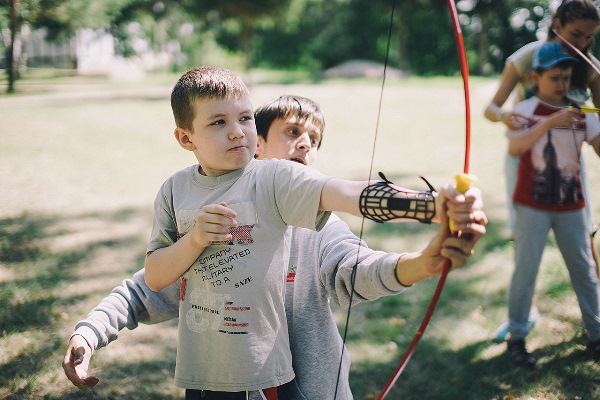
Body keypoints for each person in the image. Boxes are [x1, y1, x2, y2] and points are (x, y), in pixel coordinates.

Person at [62, 90, 486, 399]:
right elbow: (148, 286)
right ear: (256, 146)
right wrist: (89, 332)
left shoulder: (320, 226)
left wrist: (427, 246)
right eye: (293, 131)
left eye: (314, 140)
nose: (306, 143)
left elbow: (360, 269)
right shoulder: (211, 216)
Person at [484, 0, 600, 341]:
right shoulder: (527, 57)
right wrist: (505, 115)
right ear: (557, 24)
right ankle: (524, 316)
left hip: (569, 162)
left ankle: (595, 323)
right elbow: (492, 108)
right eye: (575, 34)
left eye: (588, 37)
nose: (580, 43)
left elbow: (596, 119)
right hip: (525, 156)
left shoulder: (588, 66)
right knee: (527, 242)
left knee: (583, 239)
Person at [504, 41, 600, 368]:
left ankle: (596, 334)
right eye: (555, 78)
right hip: (533, 204)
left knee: (584, 271)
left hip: (571, 205)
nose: (562, 85)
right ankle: (516, 337)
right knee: (526, 272)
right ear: (535, 77)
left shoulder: (580, 109)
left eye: (567, 77)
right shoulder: (527, 109)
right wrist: (547, 123)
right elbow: (516, 148)